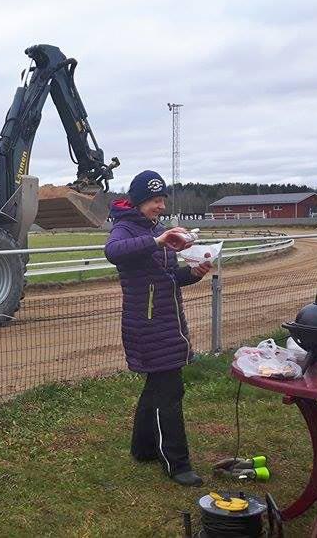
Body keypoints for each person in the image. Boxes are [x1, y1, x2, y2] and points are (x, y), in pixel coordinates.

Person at [104, 170, 212, 487]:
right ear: (138, 201)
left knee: (158, 387)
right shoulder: (124, 228)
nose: (160, 205)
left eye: (162, 199)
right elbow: (112, 252)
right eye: (154, 199)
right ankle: (177, 464)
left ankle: (143, 448)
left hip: (168, 322)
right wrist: (157, 240)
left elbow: (168, 276)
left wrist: (194, 273)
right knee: (169, 392)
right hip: (146, 324)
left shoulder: (158, 229)